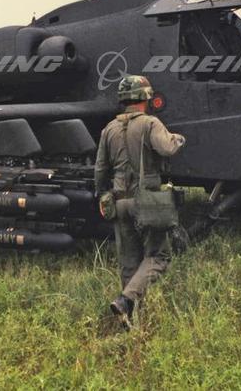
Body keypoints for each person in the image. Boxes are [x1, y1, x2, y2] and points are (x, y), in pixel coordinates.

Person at [94, 75, 186, 330]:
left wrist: (102, 194)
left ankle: (128, 321)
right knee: (159, 256)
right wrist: (178, 138)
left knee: (129, 263)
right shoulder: (149, 123)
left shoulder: (109, 129)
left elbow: (100, 169)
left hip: (119, 202)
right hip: (145, 202)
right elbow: (167, 148)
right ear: (145, 97)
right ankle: (125, 301)